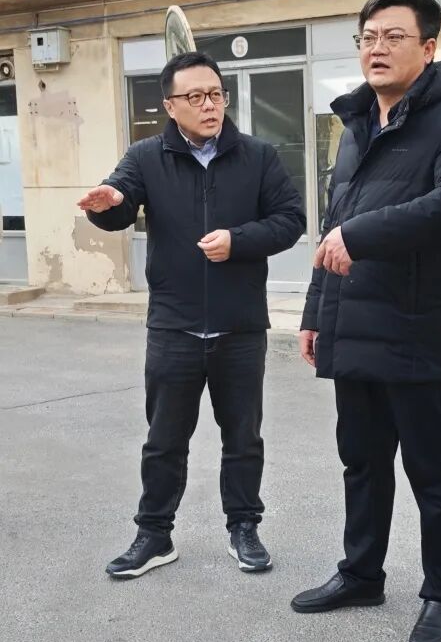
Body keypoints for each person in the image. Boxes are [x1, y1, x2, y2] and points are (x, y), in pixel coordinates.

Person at [292, 0, 441, 642]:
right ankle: (361, 573)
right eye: (368, 37)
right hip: (353, 322)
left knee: (432, 471)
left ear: (428, 49)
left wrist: (362, 235)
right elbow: (334, 225)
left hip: (416, 325)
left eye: (393, 37)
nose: (376, 48)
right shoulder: (355, 125)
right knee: (362, 462)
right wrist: (315, 313)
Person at [82, 50, 306, 579]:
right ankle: (154, 535)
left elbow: (291, 219)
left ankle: (244, 527)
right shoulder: (146, 156)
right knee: (164, 440)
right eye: (196, 97)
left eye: (215, 94)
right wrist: (108, 203)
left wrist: (239, 241)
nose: (209, 105)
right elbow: (119, 202)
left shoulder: (257, 156)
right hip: (174, 324)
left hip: (240, 324)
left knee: (243, 437)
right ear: (170, 105)